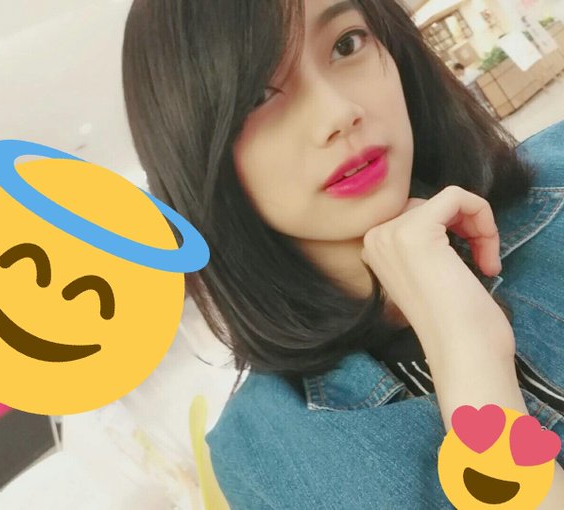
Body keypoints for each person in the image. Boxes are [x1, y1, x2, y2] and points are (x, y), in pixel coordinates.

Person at [121, 1, 564, 508]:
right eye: (257, 95)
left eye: (346, 44)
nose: (338, 113)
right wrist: (470, 355)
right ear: (193, 154)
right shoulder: (261, 457)